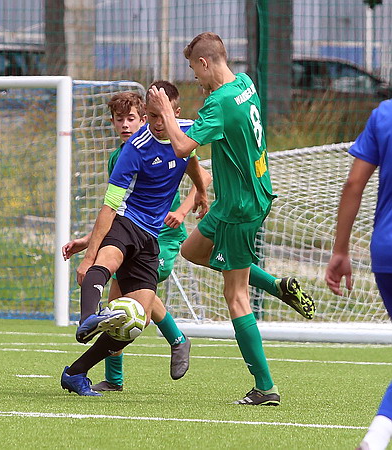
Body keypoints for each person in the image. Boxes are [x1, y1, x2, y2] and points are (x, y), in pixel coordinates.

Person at [149, 31, 290, 406]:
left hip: (239, 208)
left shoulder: (219, 103)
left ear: (204, 63)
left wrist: (166, 111)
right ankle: (275, 285)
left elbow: (182, 147)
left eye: (193, 69)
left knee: (235, 296)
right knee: (193, 250)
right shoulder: (244, 83)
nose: (194, 77)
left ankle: (265, 387)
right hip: (246, 196)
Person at [60, 81, 209, 396]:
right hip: (127, 223)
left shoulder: (188, 133)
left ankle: (76, 372)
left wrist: (201, 194)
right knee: (107, 264)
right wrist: (88, 255)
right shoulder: (133, 150)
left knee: (135, 321)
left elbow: (193, 162)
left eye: (161, 116)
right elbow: (110, 206)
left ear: (175, 113)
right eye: (151, 116)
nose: (156, 123)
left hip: (153, 238)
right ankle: (88, 319)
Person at [325, 99, 392, 450]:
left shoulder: (384, 114)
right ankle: (376, 439)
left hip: (385, 251)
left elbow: (354, 184)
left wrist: (340, 250)